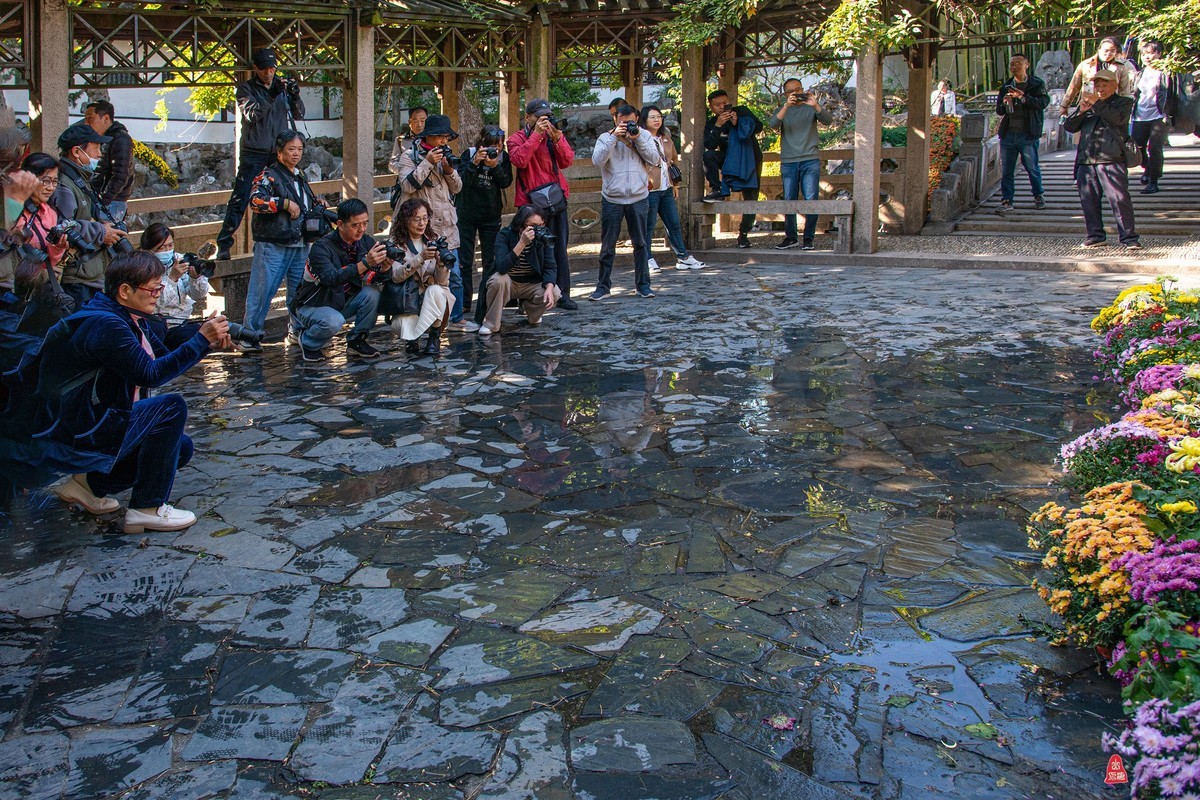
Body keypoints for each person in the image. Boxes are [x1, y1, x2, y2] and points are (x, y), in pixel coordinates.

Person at [40, 251, 231, 532]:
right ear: (125, 290)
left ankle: (87, 486)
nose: (158, 294)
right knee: (170, 407)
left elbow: (164, 359)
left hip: (95, 422)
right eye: (153, 288)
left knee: (181, 448)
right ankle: (147, 507)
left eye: (160, 287)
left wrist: (206, 344)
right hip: (78, 430)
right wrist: (201, 340)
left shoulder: (129, 317)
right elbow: (150, 375)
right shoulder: (107, 324)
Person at [214, 48, 304, 260]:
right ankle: (224, 244)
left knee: (285, 195)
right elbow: (252, 115)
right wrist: (271, 96)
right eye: (264, 69)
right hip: (254, 152)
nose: (269, 73)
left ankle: (283, 238)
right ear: (255, 68)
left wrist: (294, 95)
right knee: (241, 197)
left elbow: (299, 113)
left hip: (278, 153)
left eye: (272, 69)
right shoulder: (246, 89)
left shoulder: (280, 88)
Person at [394, 114, 475, 333]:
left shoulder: (446, 156)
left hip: (448, 227)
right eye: (440, 136)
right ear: (428, 136)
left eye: (446, 137)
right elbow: (407, 186)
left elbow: (457, 188)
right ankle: (426, 319)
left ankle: (455, 318)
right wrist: (428, 162)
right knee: (423, 277)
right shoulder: (409, 157)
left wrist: (448, 169)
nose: (444, 141)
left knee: (454, 276)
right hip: (423, 228)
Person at [241, 130, 319, 351]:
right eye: (291, 149)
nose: (296, 154)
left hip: (300, 242)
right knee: (262, 291)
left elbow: (304, 204)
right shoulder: (269, 175)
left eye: (300, 150)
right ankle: (250, 336)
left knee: (299, 291)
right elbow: (255, 201)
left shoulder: (300, 176)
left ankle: (296, 331)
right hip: (273, 242)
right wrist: (283, 203)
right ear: (279, 151)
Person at [290, 198, 387, 362]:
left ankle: (357, 341)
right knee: (334, 321)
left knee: (372, 293)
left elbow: (378, 277)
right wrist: (365, 263)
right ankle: (308, 341)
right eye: (355, 225)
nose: (361, 229)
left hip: (342, 301)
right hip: (313, 305)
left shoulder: (365, 242)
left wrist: (385, 268)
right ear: (340, 224)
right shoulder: (321, 247)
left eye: (365, 223)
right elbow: (331, 278)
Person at [508, 99, 577, 310]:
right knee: (529, 248)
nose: (543, 121)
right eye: (539, 118)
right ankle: (527, 295)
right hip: (530, 203)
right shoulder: (516, 138)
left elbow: (567, 161)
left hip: (555, 200)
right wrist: (536, 135)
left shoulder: (552, 135)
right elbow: (519, 160)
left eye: (546, 117)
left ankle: (562, 293)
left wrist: (558, 138)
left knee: (559, 248)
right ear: (527, 117)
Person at [52, 122, 129, 306]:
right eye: (95, 148)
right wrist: (102, 232)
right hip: (78, 278)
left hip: (90, 274)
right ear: (77, 151)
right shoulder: (64, 184)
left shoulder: (79, 178)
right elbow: (63, 227)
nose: (100, 154)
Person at [1062, 69, 1140, 250]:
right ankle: (1095, 235)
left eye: (1105, 85)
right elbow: (1070, 127)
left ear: (1115, 85)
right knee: (1088, 200)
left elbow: (1118, 119)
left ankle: (1129, 237)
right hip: (1086, 158)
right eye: (1097, 85)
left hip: (1111, 158)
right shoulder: (1088, 104)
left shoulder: (1124, 102)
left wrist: (1097, 104)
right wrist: (1081, 111)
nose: (1100, 88)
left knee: (1119, 199)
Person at [589, 105, 660, 301]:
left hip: (638, 197)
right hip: (612, 198)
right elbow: (597, 160)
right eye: (621, 122)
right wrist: (614, 137)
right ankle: (603, 286)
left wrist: (637, 140)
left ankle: (643, 285)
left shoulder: (644, 135)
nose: (626, 125)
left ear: (637, 119)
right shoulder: (605, 137)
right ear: (615, 120)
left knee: (641, 243)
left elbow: (654, 159)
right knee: (608, 245)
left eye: (630, 121)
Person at [639, 106, 704, 272]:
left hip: (666, 187)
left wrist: (675, 184)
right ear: (644, 119)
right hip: (649, 189)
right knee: (649, 225)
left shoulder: (665, 138)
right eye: (652, 117)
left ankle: (683, 257)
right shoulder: (640, 138)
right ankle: (647, 258)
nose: (656, 120)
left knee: (673, 223)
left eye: (659, 117)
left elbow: (674, 160)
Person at [770, 79, 833, 250]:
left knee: (811, 199)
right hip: (789, 161)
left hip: (810, 159)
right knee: (789, 199)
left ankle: (808, 238)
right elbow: (772, 125)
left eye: (798, 89)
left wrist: (815, 105)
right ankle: (791, 237)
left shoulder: (810, 108)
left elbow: (828, 120)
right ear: (785, 94)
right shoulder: (783, 110)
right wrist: (786, 107)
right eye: (791, 91)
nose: (796, 93)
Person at [457, 126, 512, 317]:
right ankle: (464, 302)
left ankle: (485, 299)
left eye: (500, 145)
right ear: (482, 144)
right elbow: (460, 182)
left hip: (491, 215)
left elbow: (506, 182)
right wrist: (474, 163)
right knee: (465, 259)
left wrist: (495, 166)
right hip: (466, 214)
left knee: (490, 260)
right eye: (493, 145)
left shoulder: (503, 158)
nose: (496, 149)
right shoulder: (470, 154)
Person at [479, 205, 560, 335]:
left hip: (531, 283)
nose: (538, 230)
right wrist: (521, 244)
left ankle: (533, 314)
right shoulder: (505, 235)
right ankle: (491, 323)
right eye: (533, 226)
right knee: (498, 280)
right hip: (509, 282)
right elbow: (501, 266)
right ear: (521, 225)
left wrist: (549, 287)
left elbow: (550, 266)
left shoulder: (544, 236)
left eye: (541, 225)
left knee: (555, 291)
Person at [389, 198, 453, 356]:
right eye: (416, 219)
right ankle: (412, 339)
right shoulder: (395, 244)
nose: (421, 223)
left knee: (437, 291)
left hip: (431, 295)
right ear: (405, 220)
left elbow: (443, 282)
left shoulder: (433, 239)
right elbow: (396, 276)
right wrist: (420, 258)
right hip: (407, 299)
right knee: (402, 324)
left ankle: (434, 337)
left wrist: (440, 264)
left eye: (425, 218)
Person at [701, 90, 763, 249]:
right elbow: (709, 144)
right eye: (717, 105)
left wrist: (738, 122)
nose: (722, 107)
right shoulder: (712, 122)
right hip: (728, 158)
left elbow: (758, 127)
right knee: (709, 156)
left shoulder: (742, 111)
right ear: (711, 107)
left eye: (724, 103)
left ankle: (744, 233)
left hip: (749, 159)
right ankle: (716, 190)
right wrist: (718, 125)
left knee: (751, 197)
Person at [139, 222, 210, 349]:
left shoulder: (179, 259)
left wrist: (195, 278)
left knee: (204, 333)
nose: (167, 251)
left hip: (179, 321)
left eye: (170, 245)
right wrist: (172, 278)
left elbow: (198, 295)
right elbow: (159, 301)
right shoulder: (142, 266)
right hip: (154, 323)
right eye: (162, 248)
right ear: (149, 249)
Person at [994, 55, 1051, 213]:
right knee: (1007, 170)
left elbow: (1043, 103)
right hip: (1008, 133)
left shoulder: (1036, 84)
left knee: (1031, 167)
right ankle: (1007, 200)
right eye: (1011, 64)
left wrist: (1023, 97)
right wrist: (1005, 103)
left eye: (1018, 63)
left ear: (1027, 65)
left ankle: (1038, 195)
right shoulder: (1007, 85)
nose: (1014, 66)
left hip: (1027, 134)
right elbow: (999, 110)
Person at [1131, 42, 1180, 195]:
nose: (1148, 57)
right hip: (1140, 115)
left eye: (1151, 53)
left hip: (1160, 115)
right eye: (1144, 54)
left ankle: (1153, 181)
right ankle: (1148, 168)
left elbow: (1174, 95)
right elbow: (1135, 94)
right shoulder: (1140, 73)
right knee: (1137, 146)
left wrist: (1170, 113)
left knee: (1155, 148)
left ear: (1159, 54)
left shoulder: (1166, 73)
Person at [15, 153, 68, 272]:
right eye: (46, 181)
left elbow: (48, 263)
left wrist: (58, 247)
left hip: (33, 279)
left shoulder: (50, 213)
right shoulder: (11, 208)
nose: (50, 188)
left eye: (55, 182)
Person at [84, 101, 134, 223]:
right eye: (86, 119)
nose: (87, 123)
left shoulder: (121, 139)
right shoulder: (104, 138)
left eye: (91, 118)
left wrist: (102, 201)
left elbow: (121, 176)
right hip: (102, 199)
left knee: (107, 238)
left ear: (106, 118)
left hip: (112, 202)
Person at [1061, 37, 1136, 117]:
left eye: (1112, 51)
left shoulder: (1121, 67)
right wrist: (1065, 105)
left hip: (1110, 107)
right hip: (1088, 105)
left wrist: (1124, 109)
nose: (1108, 54)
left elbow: (1124, 90)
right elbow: (1074, 87)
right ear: (1099, 49)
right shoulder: (1086, 65)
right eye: (1106, 51)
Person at [388, 106, 428, 176]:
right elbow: (392, 163)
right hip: (408, 182)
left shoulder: (432, 139)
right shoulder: (400, 140)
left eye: (423, 121)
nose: (420, 125)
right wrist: (405, 170)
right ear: (409, 122)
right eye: (415, 121)